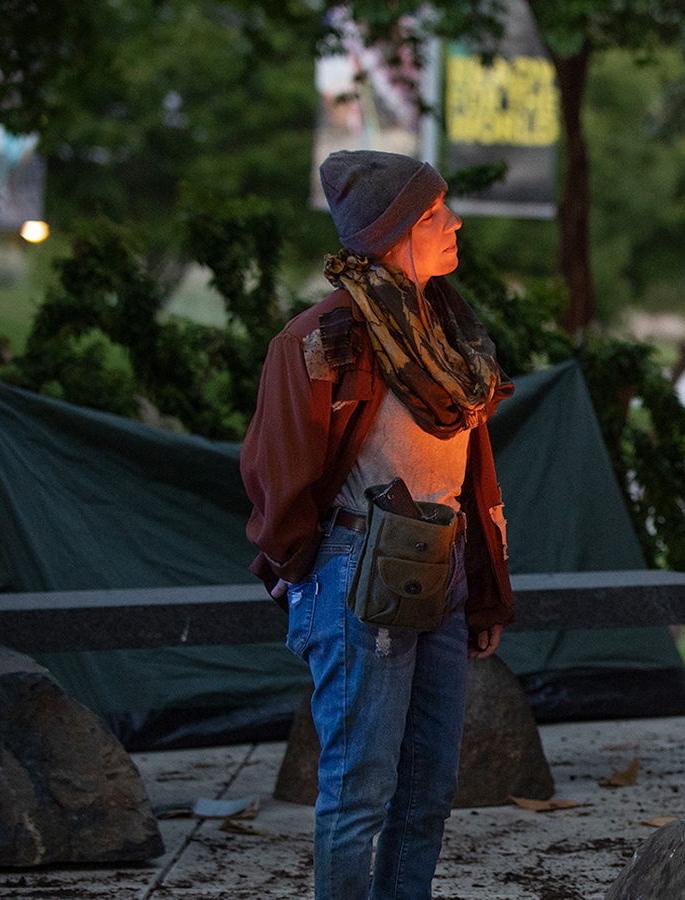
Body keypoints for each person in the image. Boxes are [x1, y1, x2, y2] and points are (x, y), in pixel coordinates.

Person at [240, 150, 515, 900]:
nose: (455, 223)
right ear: (391, 234)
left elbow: (469, 477)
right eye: (434, 215)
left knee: (429, 788)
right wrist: (304, 576)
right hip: (359, 565)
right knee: (359, 788)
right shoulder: (327, 337)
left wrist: (485, 590)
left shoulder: (448, 335)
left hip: (445, 563)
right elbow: (277, 469)